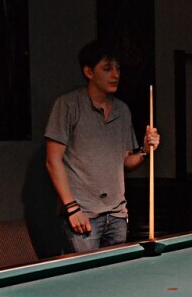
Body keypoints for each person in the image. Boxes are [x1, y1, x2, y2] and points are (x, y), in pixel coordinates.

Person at [45, 40, 160, 253]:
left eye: (117, 68)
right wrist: (72, 208)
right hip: (83, 215)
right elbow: (53, 161)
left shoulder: (122, 111)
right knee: (85, 281)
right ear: (89, 72)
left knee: (114, 280)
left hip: (117, 215)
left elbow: (125, 162)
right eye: (107, 69)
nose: (115, 74)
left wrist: (144, 150)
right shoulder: (68, 105)